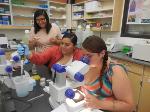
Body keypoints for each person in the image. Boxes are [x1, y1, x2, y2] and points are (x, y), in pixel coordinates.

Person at [81, 35, 134, 112]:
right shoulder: (86, 66)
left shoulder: (115, 71)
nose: (84, 59)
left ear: (102, 53)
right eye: (83, 55)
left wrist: (99, 104)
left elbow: (129, 106)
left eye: (89, 56)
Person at [17, 32, 83, 69]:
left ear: (74, 46)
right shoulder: (55, 50)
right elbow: (40, 58)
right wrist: (28, 54)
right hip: (53, 81)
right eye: (62, 43)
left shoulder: (79, 54)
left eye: (67, 45)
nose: (63, 46)